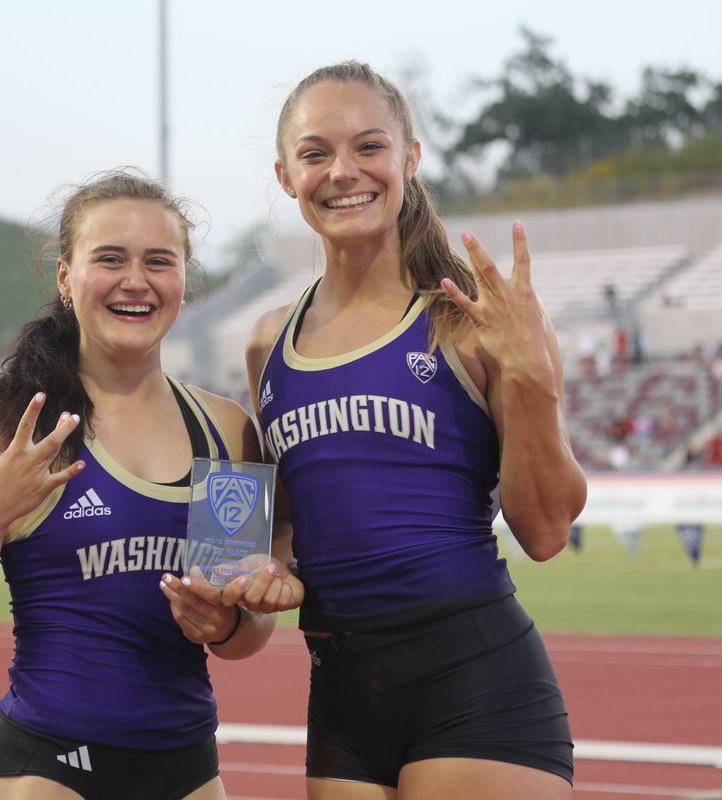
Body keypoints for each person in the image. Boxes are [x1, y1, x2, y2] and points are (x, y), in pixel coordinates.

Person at [245, 62, 588, 799]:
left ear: (410, 158)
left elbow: (546, 531)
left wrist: (533, 379)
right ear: (285, 176)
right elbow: (285, 526)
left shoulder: (476, 321)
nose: (343, 172)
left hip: (474, 682)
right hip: (340, 697)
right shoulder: (268, 342)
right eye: (315, 154)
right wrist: (254, 574)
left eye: (369, 146)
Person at [0, 170, 302, 800]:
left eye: (158, 261)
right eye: (110, 259)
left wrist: (226, 623)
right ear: (66, 277)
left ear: (184, 280)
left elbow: (243, 634)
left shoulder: (226, 430)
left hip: (187, 769)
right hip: (45, 768)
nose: (135, 281)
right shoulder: (3, 424)